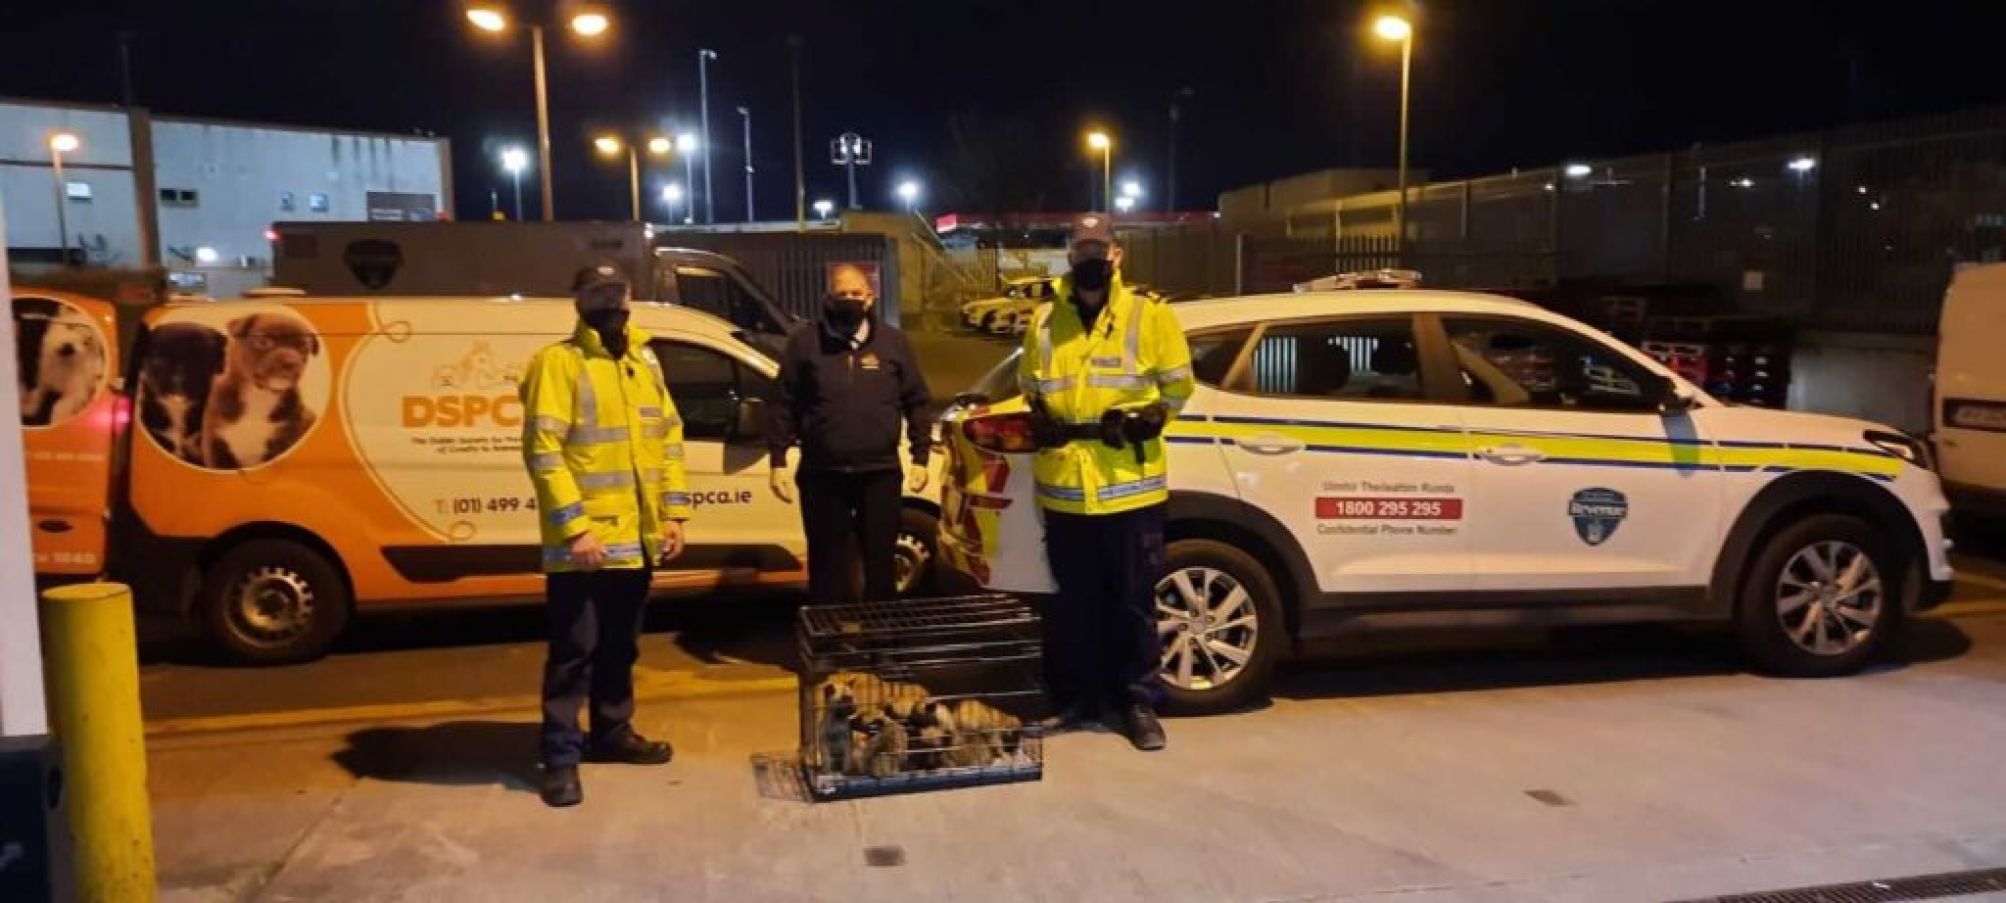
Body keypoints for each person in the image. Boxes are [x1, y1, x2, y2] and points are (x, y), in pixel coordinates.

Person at [520, 263, 693, 807]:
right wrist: (575, 530)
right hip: (584, 549)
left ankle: (612, 733)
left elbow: (667, 439)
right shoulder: (558, 363)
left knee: (621, 647)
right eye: (597, 294)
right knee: (574, 653)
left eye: (616, 293)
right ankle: (561, 757)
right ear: (578, 302)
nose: (610, 304)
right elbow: (544, 452)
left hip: (636, 541)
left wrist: (673, 514)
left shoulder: (643, 361)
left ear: (630, 298)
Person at [1020, 213, 1194, 751]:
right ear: (1069, 256)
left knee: (1133, 602)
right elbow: (1030, 384)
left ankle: (1136, 703)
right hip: (1067, 488)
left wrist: (1154, 416)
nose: (1090, 257)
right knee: (1074, 604)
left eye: (1100, 247)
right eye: (1080, 248)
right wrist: (1039, 414)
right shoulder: (1045, 321)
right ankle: (1077, 700)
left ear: (1117, 254)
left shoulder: (1150, 314)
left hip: (1129, 486)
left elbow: (1180, 386)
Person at [767, 263, 932, 604]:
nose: (849, 300)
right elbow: (783, 404)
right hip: (822, 474)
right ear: (827, 298)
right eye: (842, 294)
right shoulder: (804, 343)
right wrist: (778, 460)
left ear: (870, 299)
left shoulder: (894, 343)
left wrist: (920, 457)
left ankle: (879, 644)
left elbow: (917, 401)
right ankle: (829, 644)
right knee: (827, 565)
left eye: (856, 294)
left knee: (880, 564)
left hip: (880, 474)